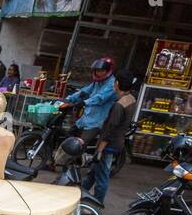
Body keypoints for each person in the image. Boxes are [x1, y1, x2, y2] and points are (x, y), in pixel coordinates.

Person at [83, 69, 137, 204]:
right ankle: (81, 195)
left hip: (109, 144)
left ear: (117, 84)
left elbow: (110, 128)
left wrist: (100, 148)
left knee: (102, 175)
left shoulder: (119, 105)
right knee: (94, 172)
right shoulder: (131, 99)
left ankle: (97, 202)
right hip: (116, 142)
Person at [59, 56, 117, 145]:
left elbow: (100, 98)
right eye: (97, 70)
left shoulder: (112, 84)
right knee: (69, 136)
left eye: (101, 71)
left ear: (108, 70)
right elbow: (84, 91)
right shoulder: (97, 82)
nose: (98, 73)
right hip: (85, 119)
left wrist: (84, 102)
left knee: (78, 145)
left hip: (96, 123)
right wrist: (68, 99)